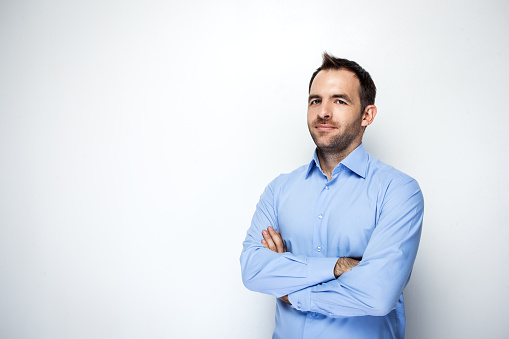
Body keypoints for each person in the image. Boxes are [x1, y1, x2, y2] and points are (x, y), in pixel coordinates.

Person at [240, 53, 424, 338]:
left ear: (367, 115)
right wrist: (339, 267)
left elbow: (377, 295)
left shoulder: (398, 191)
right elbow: (253, 270)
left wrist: (292, 290)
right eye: (316, 100)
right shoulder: (279, 190)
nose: (323, 112)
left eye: (339, 100)